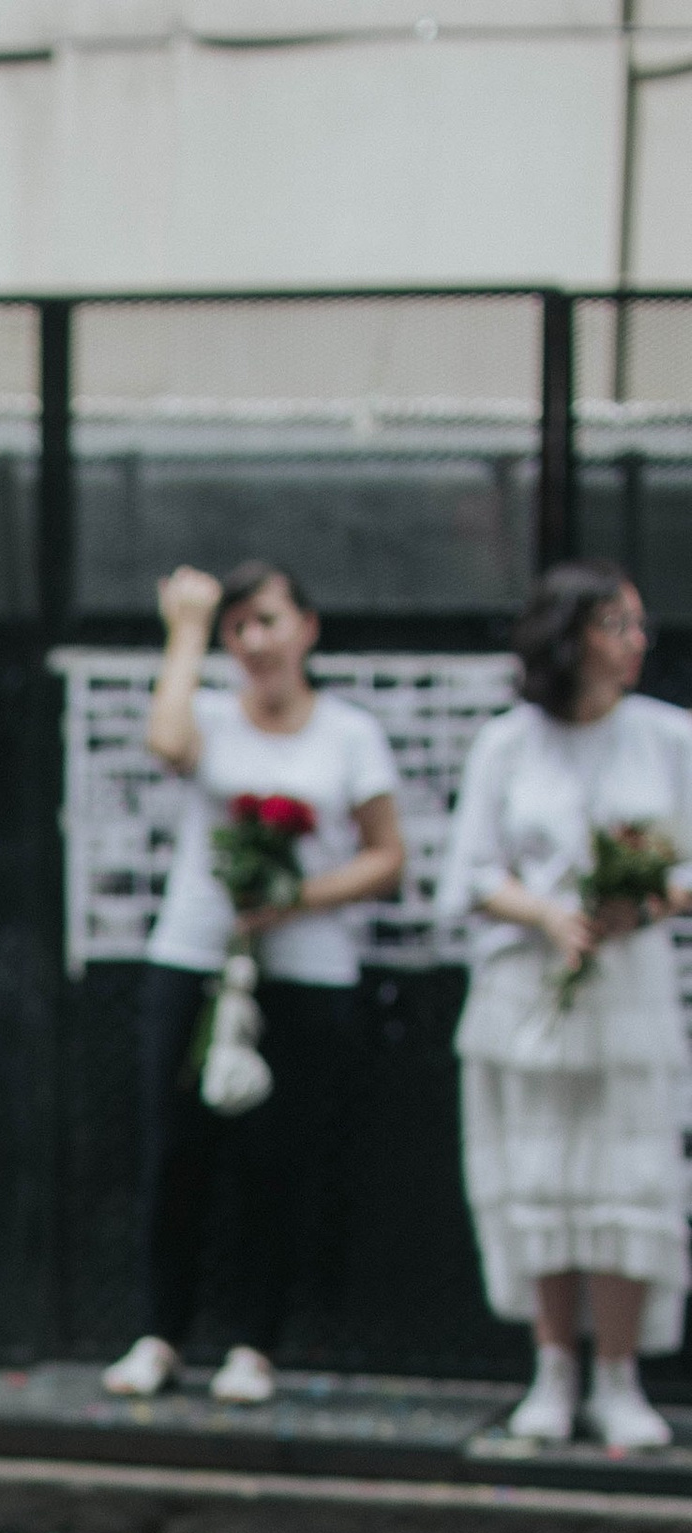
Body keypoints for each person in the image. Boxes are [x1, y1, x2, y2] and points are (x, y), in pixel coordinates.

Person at [102, 561, 405, 1409]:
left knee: (279, 1160)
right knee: (176, 1150)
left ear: (308, 626)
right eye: (240, 628)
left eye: (268, 621)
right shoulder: (203, 713)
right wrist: (188, 629)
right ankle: (160, 1333)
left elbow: (387, 856)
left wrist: (295, 899)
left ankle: (253, 1344)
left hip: (305, 970)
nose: (256, 641)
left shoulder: (348, 733)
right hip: (196, 959)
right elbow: (165, 746)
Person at [442, 562, 692, 1454]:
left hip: (628, 992)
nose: (638, 641)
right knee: (540, 1175)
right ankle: (552, 1369)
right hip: (529, 989)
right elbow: (469, 872)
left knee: (628, 1179)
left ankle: (620, 1376)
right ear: (574, 634)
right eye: (619, 623)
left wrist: (646, 905)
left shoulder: (669, 738)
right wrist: (549, 915)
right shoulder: (508, 744)